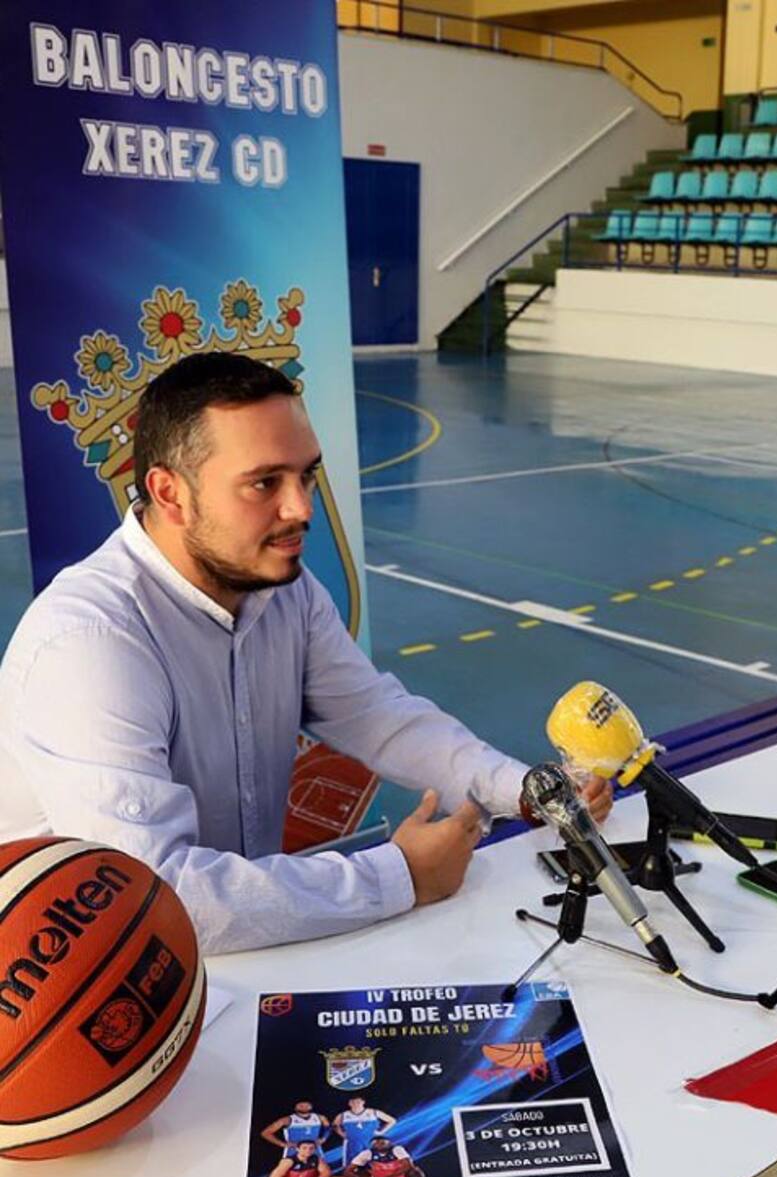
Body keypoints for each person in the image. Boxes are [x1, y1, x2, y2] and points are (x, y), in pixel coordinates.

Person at [0, 352, 612, 953]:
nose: (301, 508)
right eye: (265, 482)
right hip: (83, 992)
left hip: (235, 954)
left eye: (306, 475)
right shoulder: (91, 642)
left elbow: (378, 717)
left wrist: (527, 789)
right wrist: (398, 876)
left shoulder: (281, 593)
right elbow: (154, 893)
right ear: (170, 493)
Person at [345, 1135, 427, 1177]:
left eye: (382, 1142)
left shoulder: (397, 1149)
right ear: (372, 1145)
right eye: (376, 1142)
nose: (379, 1144)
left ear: (389, 1143)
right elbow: (348, 1171)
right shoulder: (367, 1153)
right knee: (353, 1174)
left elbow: (408, 1166)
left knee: (414, 1171)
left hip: (398, 1175)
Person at [263, 1140, 347, 1177]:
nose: (308, 1150)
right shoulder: (288, 1161)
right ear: (297, 1149)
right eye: (304, 1148)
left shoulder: (316, 1159)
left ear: (314, 1149)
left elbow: (326, 1172)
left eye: (311, 1148)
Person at [334, 1095, 396, 1163]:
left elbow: (392, 1120)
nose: (356, 1104)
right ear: (349, 1103)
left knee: (374, 1162)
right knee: (352, 1164)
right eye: (353, 1102)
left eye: (358, 1101)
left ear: (363, 1102)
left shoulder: (373, 1112)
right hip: (352, 1144)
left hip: (371, 1142)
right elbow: (335, 1125)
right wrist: (341, 1133)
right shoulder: (343, 1115)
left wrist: (381, 1132)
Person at [261, 1101, 331, 1152]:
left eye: (306, 1103)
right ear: (295, 1106)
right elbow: (265, 1133)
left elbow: (328, 1128)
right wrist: (282, 1144)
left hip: (315, 1151)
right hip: (294, 1152)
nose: (304, 1106)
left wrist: (324, 1138)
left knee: (322, 1170)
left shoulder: (320, 1117)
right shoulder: (287, 1120)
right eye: (300, 1104)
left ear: (311, 1105)